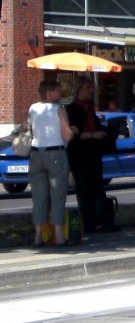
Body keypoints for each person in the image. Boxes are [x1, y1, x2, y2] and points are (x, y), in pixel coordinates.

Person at [66, 75, 116, 234]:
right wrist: (93, 135)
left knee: (97, 186)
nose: (91, 91)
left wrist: (103, 132)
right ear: (79, 89)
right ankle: (88, 223)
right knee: (83, 188)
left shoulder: (89, 107)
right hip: (80, 154)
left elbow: (95, 124)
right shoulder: (71, 109)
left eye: (92, 87)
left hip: (93, 152)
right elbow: (74, 134)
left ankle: (101, 219)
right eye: (88, 87)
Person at [28, 80, 75, 246]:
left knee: (38, 196)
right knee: (58, 194)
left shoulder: (33, 108)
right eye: (57, 90)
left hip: (35, 154)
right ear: (49, 93)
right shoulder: (59, 109)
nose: (60, 93)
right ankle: (58, 235)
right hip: (55, 153)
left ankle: (38, 236)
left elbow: (31, 129)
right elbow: (67, 134)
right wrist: (73, 130)